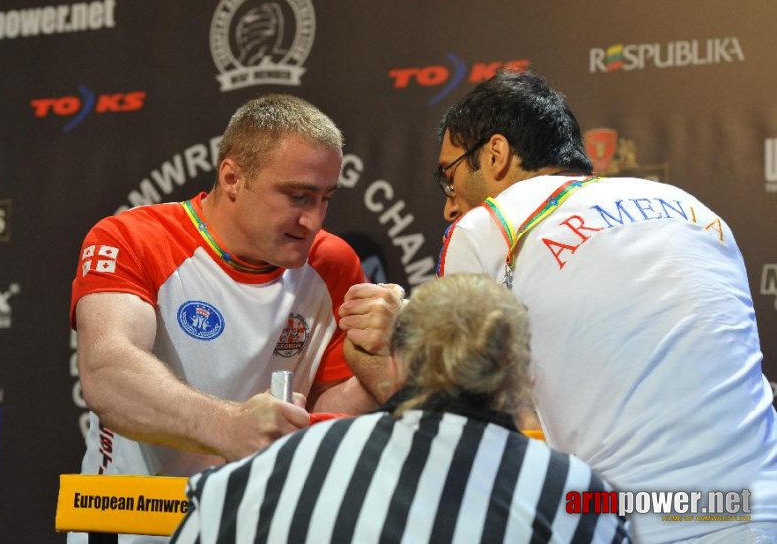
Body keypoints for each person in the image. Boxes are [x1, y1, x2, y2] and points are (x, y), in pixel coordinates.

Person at [341, 70, 777, 543]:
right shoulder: (691, 207)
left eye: (449, 178)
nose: (449, 207)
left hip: (628, 518)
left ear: (496, 154)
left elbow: (458, 423)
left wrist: (385, 343)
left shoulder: (491, 225)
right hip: (760, 505)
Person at [69, 94, 377, 543]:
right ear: (232, 177)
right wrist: (229, 427)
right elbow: (107, 373)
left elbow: (327, 414)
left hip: (255, 527)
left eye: (325, 198)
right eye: (297, 196)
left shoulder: (332, 262)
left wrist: (387, 356)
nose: (313, 220)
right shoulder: (132, 237)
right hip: (132, 527)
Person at [170, 273, 630, 544]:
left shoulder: (270, 468)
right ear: (523, 378)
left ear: (394, 364)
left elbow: (202, 518)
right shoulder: (578, 494)